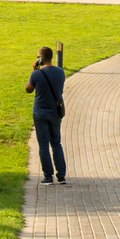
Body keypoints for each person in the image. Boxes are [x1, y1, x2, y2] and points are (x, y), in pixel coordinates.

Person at [27, 47, 69, 183]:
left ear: (41, 59)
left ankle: (48, 176)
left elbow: (28, 89)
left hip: (40, 112)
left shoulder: (37, 74)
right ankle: (61, 174)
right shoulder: (60, 72)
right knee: (56, 143)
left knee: (43, 145)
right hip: (55, 112)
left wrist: (34, 71)